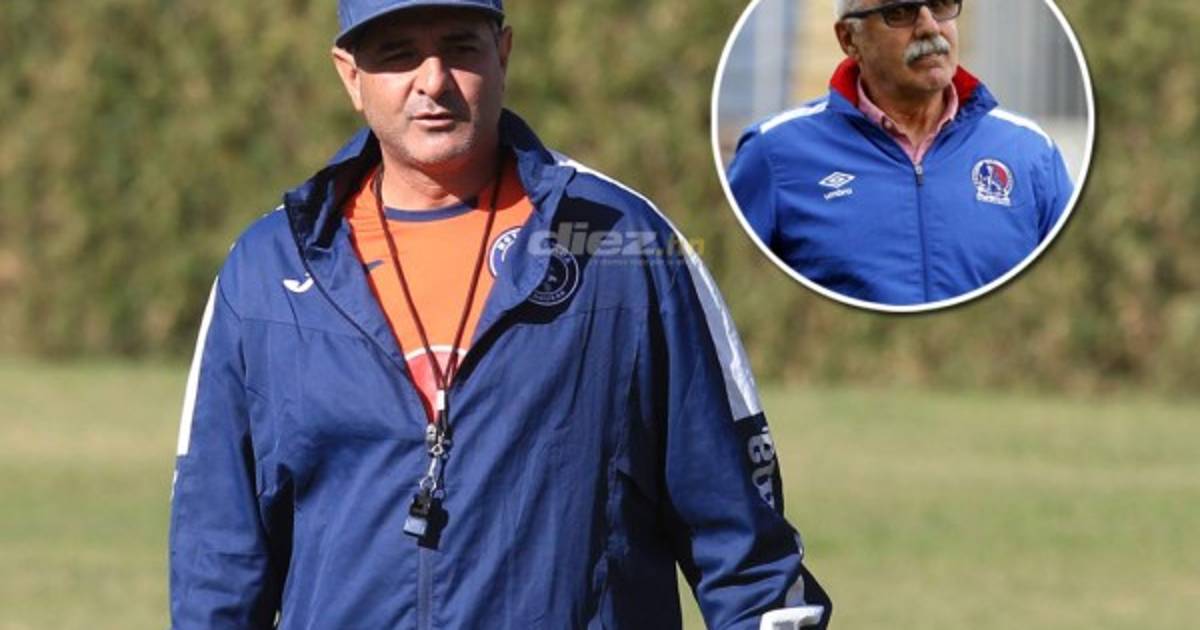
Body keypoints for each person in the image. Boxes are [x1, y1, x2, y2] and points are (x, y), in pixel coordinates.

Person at [168, 1, 831, 628]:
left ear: (503, 52)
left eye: (460, 48)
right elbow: (216, 558)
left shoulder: (622, 245)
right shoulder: (268, 270)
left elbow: (746, 553)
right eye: (398, 55)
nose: (433, 81)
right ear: (351, 75)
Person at [727, 0, 1075, 307]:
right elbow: (730, 299)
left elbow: (1070, 295)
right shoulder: (773, 152)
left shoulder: (1030, 153)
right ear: (849, 39)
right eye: (900, 11)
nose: (929, 27)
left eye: (940, 4)